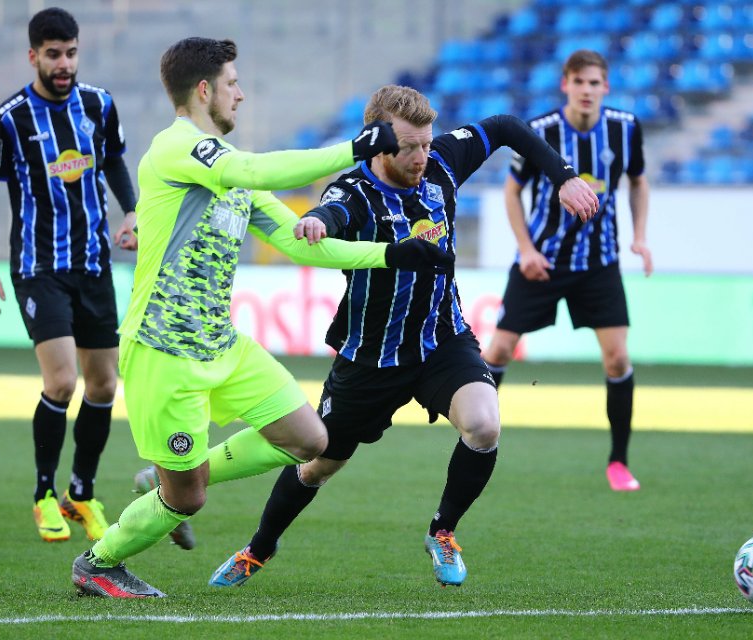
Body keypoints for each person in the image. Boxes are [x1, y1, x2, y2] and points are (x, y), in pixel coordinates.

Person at [70, 38, 452, 598]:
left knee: (310, 438)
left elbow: (301, 247)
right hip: (164, 350)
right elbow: (255, 167)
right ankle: (97, 564)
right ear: (204, 91)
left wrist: (391, 254)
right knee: (187, 498)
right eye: (232, 83)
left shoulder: (231, 174)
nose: (240, 94)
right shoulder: (177, 149)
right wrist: (356, 149)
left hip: (222, 346)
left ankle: (170, 479)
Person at [207, 85, 599, 590]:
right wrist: (313, 223)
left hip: (442, 340)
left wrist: (562, 177)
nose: (421, 157)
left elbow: (503, 125)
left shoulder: (441, 165)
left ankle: (442, 532)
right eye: (408, 147)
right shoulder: (351, 192)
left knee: (483, 425)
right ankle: (257, 550)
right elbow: (333, 214)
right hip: (370, 357)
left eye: (426, 144)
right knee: (317, 465)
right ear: (376, 144)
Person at [0, 7, 139, 543]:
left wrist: (130, 210)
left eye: (70, 53)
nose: (63, 64)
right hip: (38, 267)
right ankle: (43, 493)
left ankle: (81, 494)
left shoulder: (98, 104)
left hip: (93, 263)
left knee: (104, 384)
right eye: (52, 55)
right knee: (62, 381)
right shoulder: (9, 118)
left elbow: (112, 160)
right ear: (33, 56)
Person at [481, 49, 653, 492]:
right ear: (566, 85)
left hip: (599, 262)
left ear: (605, 87)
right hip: (543, 261)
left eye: (595, 83)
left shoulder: (624, 128)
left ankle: (619, 461)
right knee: (497, 351)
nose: (587, 91)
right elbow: (511, 191)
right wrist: (525, 249)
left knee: (617, 357)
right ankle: (474, 440)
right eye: (579, 82)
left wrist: (640, 236)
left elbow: (637, 181)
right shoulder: (541, 132)